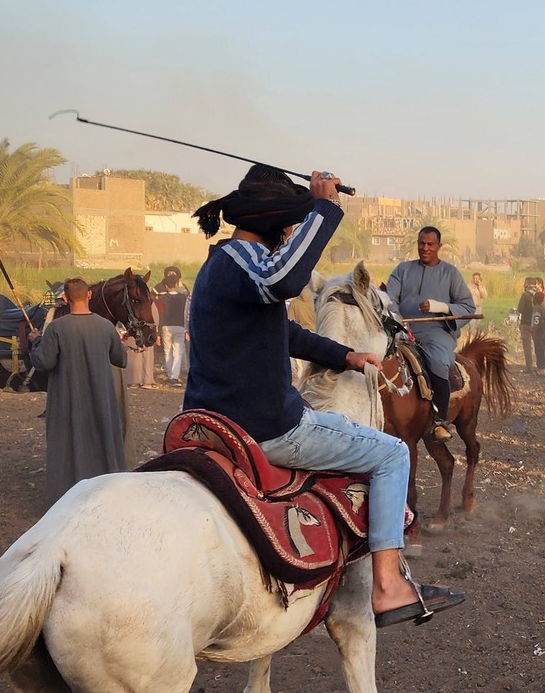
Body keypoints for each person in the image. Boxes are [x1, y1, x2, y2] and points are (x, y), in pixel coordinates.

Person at [185, 163, 458, 625]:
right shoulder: (250, 263)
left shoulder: (222, 264)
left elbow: (284, 332)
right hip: (264, 425)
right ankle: (389, 587)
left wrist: (346, 356)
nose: (291, 234)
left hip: (207, 420)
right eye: (289, 225)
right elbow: (286, 280)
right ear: (275, 223)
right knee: (393, 454)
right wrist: (326, 207)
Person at [30, 277, 130, 507]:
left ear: (65, 298)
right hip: (101, 398)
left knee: (68, 442)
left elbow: (43, 362)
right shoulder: (106, 327)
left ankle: (68, 497)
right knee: (102, 438)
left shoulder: (56, 328)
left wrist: (36, 341)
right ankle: (105, 493)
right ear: (89, 295)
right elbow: (121, 359)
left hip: (68, 399)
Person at [388, 226, 477, 443]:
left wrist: (441, 307)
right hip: (401, 329)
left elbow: (468, 308)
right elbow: (389, 298)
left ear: (439, 246)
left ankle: (439, 420)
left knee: (437, 361)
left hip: (436, 331)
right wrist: (397, 317)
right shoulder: (402, 270)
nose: (425, 248)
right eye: (422, 243)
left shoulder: (450, 273)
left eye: (430, 244)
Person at [156, 267, 191, 385]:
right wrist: (187, 329)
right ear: (176, 284)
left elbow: (161, 315)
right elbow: (186, 313)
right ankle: (174, 376)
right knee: (178, 352)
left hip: (166, 326)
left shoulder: (161, 299)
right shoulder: (184, 297)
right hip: (180, 326)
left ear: (165, 286)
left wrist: (158, 333)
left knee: (167, 351)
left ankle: (170, 373)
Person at [516, 278, 545, 372]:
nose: (523, 284)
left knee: (527, 346)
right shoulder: (539, 294)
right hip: (537, 324)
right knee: (538, 345)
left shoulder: (525, 295)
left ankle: (529, 367)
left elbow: (520, 309)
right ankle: (541, 365)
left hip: (526, 323)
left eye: (525, 283)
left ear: (528, 284)